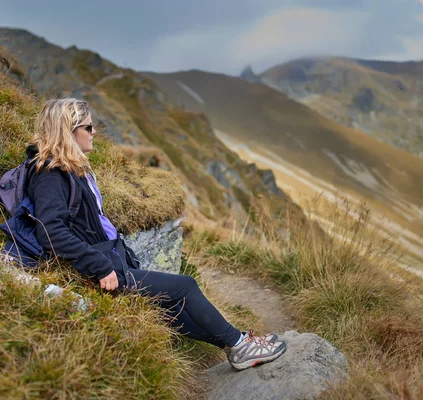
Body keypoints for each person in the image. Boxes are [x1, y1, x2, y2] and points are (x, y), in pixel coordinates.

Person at [26, 98, 286, 370]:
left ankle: (237, 343)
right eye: (88, 127)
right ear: (69, 129)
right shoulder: (50, 175)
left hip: (111, 264)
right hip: (96, 274)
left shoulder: (70, 170)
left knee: (172, 309)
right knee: (186, 286)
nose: (94, 133)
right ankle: (241, 346)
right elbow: (51, 231)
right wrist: (99, 266)